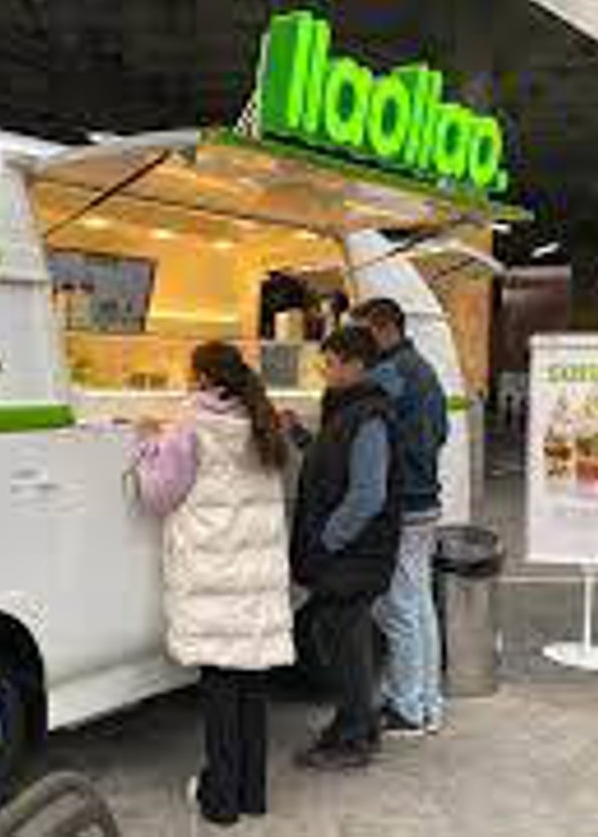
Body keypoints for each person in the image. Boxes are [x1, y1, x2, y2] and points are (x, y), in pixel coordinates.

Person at [134, 341, 294, 828]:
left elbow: (157, 497)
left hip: (212, 578)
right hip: (256, 580)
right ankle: (252, 794)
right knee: (251, 687)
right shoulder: (261, 421)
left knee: (221, 691)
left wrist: (148, 445)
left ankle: (220, 800)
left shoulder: (190, 427)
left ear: (203, 378)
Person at [290, 326, 401, 770]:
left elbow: (367, 495)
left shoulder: (370, 416)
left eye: (330, 363)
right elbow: (333, 460)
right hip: (348, 555)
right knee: (338, 638)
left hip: (355, 554)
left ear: (356, 365)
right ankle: (355, 725)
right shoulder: (348, 411)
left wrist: (326, 541)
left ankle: (354, 740)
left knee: (346, 645)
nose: (324, 372)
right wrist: (300, 436)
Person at [352, 297, 449, 735]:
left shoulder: (388, 374)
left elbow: (369, 436)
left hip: (404, 503)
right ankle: (427, 700)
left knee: (398, 608)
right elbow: (442, 432)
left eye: (361, 333)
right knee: (420, 604)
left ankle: (407, 707)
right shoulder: (424, 369)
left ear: (382, 328)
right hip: (426, 498)